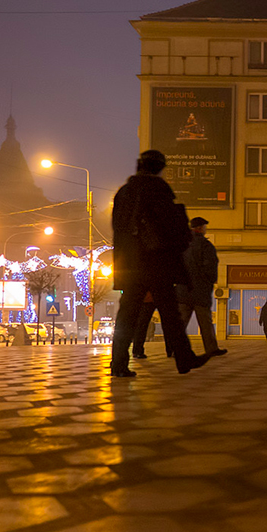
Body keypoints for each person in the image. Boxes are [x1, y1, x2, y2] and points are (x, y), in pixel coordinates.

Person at [110, 149, 209, 378]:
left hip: (130, 263)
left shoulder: (123, 193)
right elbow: (172, 227)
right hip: (156, 261)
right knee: (170, 314)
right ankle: (184, 359)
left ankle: (119, 363)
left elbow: (119, 230)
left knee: (127, 314)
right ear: (159, 168)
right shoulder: (158, 189)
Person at [176, 217, 226, 357]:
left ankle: (175, 349)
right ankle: (211, 348)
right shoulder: (205, 245)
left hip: (183, 290)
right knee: (205, 323)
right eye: (204, 227)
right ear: (200, 228)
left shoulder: (182, 244)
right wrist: (209, 282)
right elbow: (210, 267)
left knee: (181, 323)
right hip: (200, 291)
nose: (205, 229)